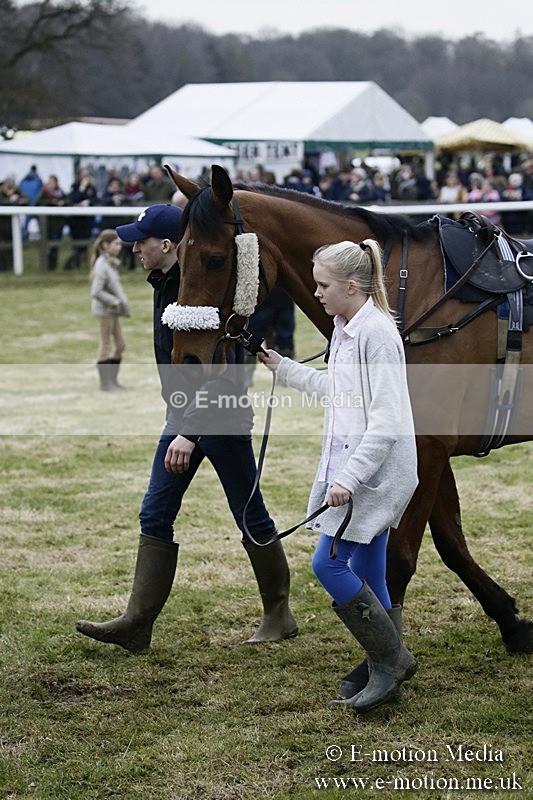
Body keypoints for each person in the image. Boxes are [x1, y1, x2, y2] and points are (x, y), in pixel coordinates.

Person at [76, 204, 297, 651]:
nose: (133, 246)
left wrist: (188, 432)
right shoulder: (165, 284)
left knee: (250, 514)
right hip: (184, 417)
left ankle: (280, 615)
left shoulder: (201, 288)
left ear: (166, 244)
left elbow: (227, 369)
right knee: (155, 513)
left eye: (141, 239)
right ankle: (137, 624)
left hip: (221, 419)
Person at [258, 239, 418, 714]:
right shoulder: (347, 329)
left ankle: (390, 661)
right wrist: (282, 367)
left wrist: (347, 478)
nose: (317, 292)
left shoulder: (377, 335)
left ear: (352, 285)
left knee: (326, 564)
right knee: (369, 567)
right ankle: (386, 662)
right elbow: (338, 391)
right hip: (359, 469)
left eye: (324, 284)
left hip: (372, 474)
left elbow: (386, 421)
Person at [90, 228, 131, 391]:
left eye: (120, 244)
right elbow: (96, 291)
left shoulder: (110, 263)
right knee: (105, 345)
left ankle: (113, 380)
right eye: (115, 244)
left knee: (120, 344)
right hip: (105, 311)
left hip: (113, 311)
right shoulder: (101, 265)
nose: (119, 247)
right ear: (105, 245)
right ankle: (105, 383)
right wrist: (114, 302)